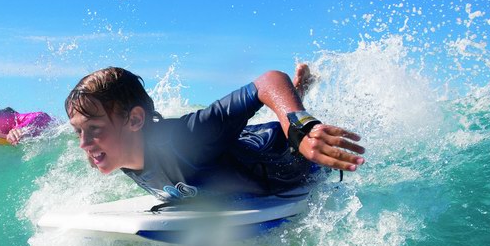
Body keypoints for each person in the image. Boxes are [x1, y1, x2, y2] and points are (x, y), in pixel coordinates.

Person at [64, 65, 365, 202]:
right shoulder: (119, 152)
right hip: (237, 148)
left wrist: (302, 127)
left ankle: (294, 107)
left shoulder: (186, 139)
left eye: (94, 129)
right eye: (79, 131)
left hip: (281, 162)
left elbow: (268, 80)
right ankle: (295, 95)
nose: (84, 143)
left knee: (285, 132)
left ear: (135, 120)